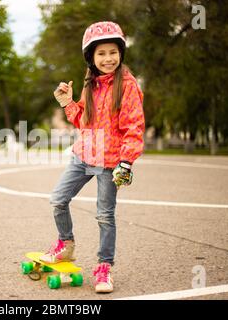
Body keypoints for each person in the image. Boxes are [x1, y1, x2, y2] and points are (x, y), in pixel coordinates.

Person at [39, 21, 145, 293]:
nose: (108, 58)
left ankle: (104, 268)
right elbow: (83, 121)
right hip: (83, 155)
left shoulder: (128, 86)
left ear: (120, 53)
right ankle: (66, 245)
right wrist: (67, 102)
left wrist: (126, 160)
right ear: (91, 57)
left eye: (113, 52)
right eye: (101, 53)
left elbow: (134, 126)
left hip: (110, 162)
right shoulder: (91, 84)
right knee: (58, 199)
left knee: (105, 216)